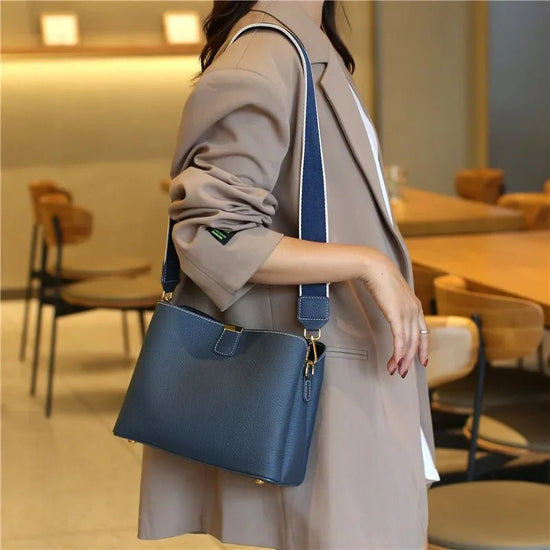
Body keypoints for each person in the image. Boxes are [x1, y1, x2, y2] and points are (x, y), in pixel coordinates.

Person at [138, 1, 439, 548]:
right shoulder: (263, 56)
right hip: (322, 385)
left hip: (349, 373)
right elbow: (213, 234)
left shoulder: (305, 48)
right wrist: (367, 263)